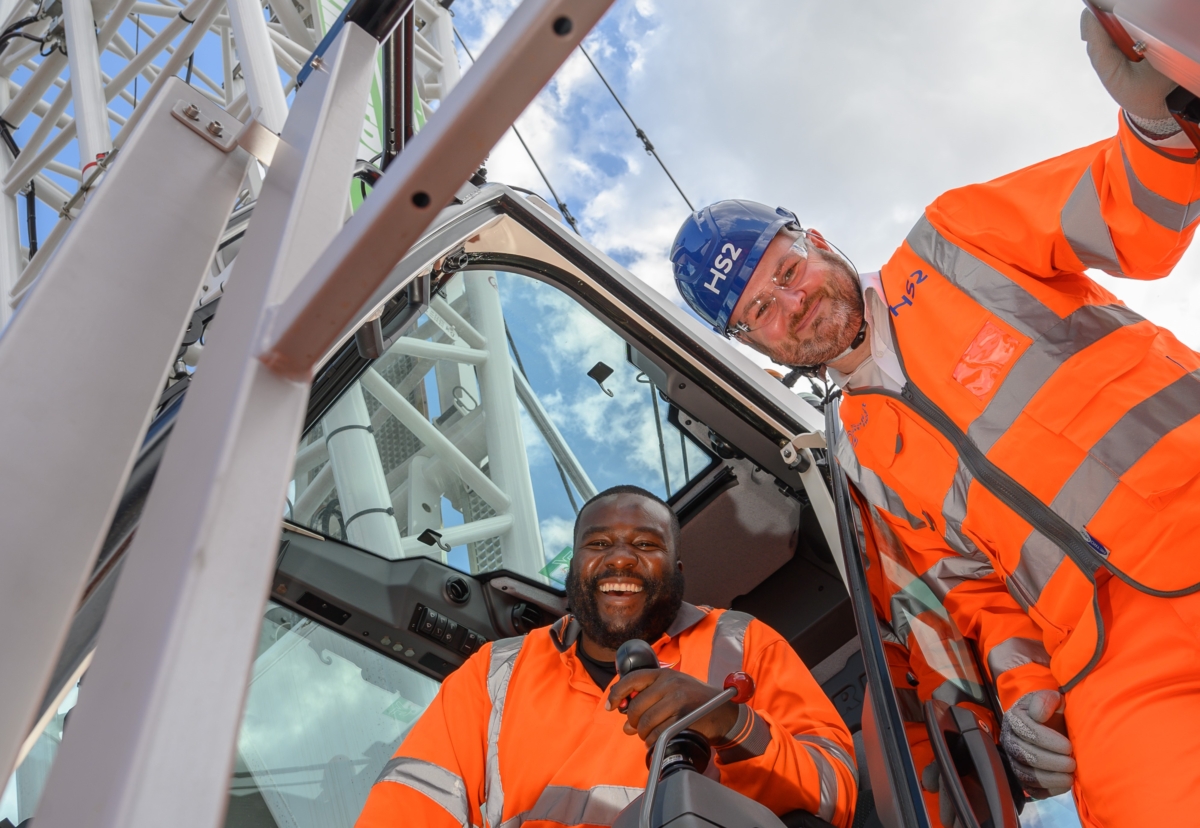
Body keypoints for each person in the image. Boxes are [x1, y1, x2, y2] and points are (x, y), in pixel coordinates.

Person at [668, 11, 1200, 828]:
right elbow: (971, 589)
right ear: (750, 343)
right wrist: (1025, 700)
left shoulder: (953, 242)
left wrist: (1160, 123)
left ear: (812, 237)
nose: (794, 303)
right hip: (1110, 652)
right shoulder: (861, 458)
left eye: (786, 269)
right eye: (762, 311)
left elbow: (1125, 211)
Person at [355, 485, 859, 828]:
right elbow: (408, 805)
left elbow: (835, 794)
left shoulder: (743, 642)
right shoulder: (495, 673)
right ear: (575, 569)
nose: (620, 557)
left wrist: (732, 724)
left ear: (677, 568)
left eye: (645, 543)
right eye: (598, 543)